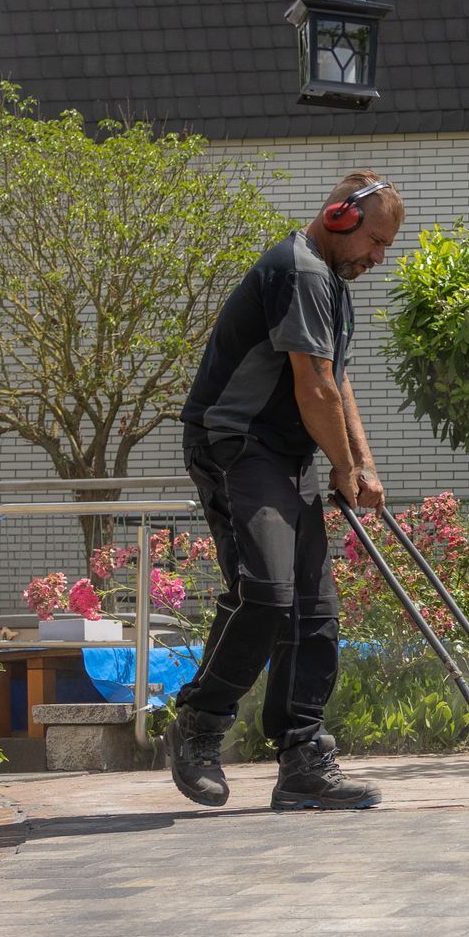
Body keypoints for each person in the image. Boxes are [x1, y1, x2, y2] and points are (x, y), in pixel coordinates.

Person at [162, 171, 403, 811]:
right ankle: (199, 723)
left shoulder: (330, 283)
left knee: (315, 611)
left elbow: (337, 384)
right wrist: (345, 470)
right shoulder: (300, 271)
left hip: (285, 454)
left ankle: (303, 763)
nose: (379, 258)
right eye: (375, 242)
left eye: (384, 247)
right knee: (266, 593)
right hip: (236, 444)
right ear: (340, 218)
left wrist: (364, 467)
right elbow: (314, 387)